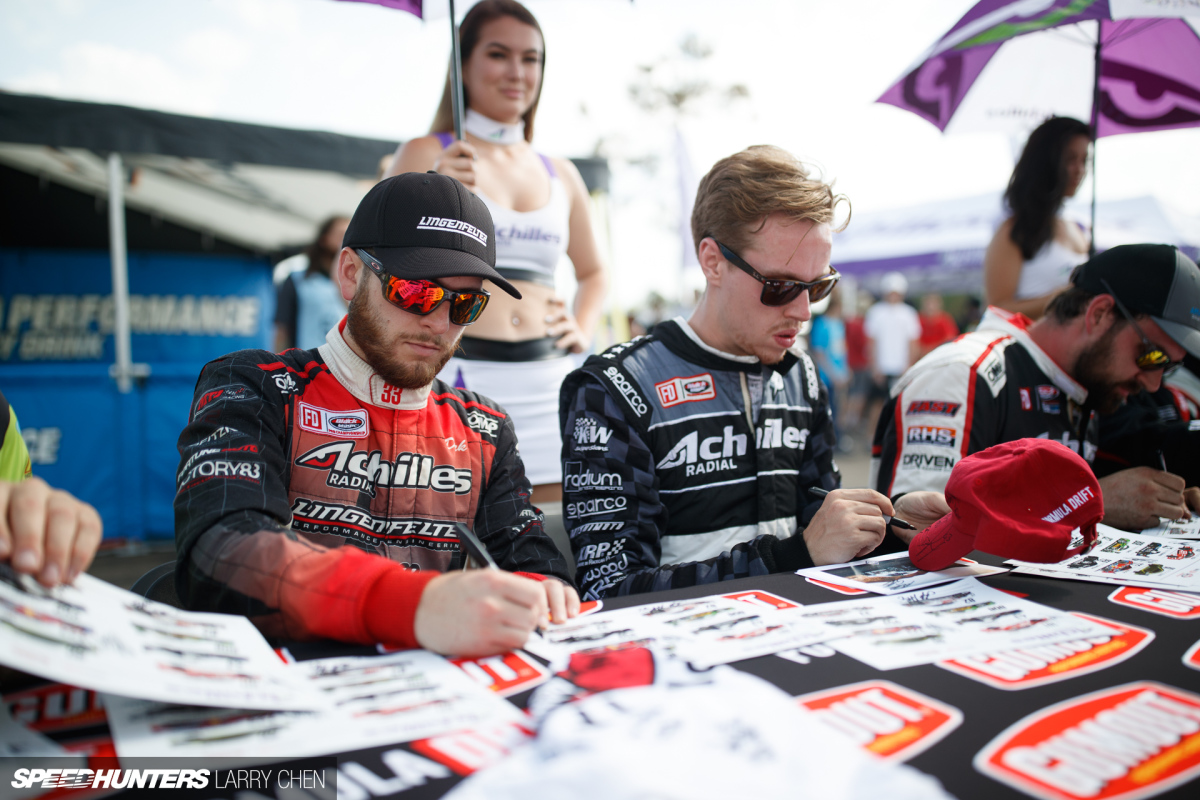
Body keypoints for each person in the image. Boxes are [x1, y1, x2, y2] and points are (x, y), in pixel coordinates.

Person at [174, 172, 579, 657]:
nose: (438, 321)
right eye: (415, 292)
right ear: (350, 274)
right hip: (292, 695)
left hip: (436, 696)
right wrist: (410, 604)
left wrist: (543, 591)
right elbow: (220, 549)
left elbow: (533, 562)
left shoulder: (484, 429)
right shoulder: (255, 385)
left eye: (465, 304)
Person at [558, 146, 949, 601]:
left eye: (819, 286)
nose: (803, 310)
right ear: (712, 261)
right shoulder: (614, 388)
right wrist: (791, 556)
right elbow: (607, 590)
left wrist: (892, 523)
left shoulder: (801, 376)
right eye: (781, 287)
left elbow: (819, 531)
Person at [387, 0, 608, 505]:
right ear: (463, 64)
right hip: (459, 375)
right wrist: (433, 186)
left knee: (551, 537)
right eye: (498, 54)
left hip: (549, 378)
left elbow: (595, 271)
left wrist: (583, 325)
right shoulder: (426, 151)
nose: (517, 72)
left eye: (531, 59)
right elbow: (375, 261)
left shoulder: (561, 171)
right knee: (454, 539)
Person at [872, 244, 1200, 532]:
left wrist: (1161, 502)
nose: (1153, 381)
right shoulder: (964, 372)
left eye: (1168, 366)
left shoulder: (1085, 383)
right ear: (1099, 314)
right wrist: (1087, 505)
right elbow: (914, 527)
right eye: (1151, 355)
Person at [984, 116, 1091, 320]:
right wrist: (1064, 296)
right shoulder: (1014, 230)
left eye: (1085, 160)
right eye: (1070, 159)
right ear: (1046, 161)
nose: (1080, 170)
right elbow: (997, 308)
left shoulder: (1079, 227)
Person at [274, 216, 351, 352]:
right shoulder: (298, 279)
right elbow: (282, 328)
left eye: (349, 234)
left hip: (340, 363)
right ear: (324, 238)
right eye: (340, 234)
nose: (344, 240)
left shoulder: (355, 281)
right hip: (305, 363)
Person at [863, 272, 921, 433]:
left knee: (902, 404)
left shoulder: (909, 313)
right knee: (877, 404)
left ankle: (897, 437)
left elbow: (913, 342)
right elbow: (871, 342)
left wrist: (909, 366)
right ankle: (873, 438)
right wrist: (874, 367)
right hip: (882, 368)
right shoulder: (876, 312)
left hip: (901, 368)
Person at [917, 293, 959, 359]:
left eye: (933, 303)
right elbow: (914, 340)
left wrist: (932, 349)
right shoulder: (918, 319)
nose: (930, 306)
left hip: (940, 356)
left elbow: (950, 339)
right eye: (928, 304)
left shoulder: (945, 319)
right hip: (922, 357)